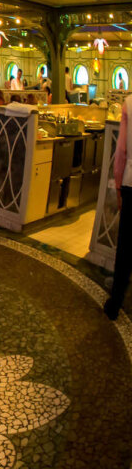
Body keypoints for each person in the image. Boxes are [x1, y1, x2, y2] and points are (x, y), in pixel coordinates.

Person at [105, 88, 132, 319]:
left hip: (131, 182)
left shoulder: (129, 104)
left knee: (125, 247)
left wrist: (119, 184)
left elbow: (121, 150)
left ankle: (115, 303)